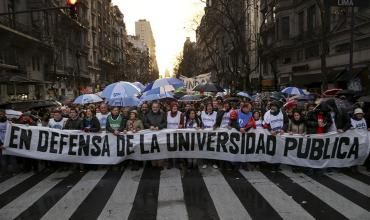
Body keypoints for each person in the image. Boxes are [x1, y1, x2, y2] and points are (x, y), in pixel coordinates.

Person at [144, 102, 167, 169]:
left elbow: (165, 123)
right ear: (151, 107)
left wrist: (159, 127)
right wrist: (149, 126)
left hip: (160, 135)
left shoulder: (163, 114)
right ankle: (153, 164)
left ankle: (160, 164)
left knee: (161, 148)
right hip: (151, 135)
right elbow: (145, 122)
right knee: (152, 149)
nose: (155, 108)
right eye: (154, 107)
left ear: (159, 107)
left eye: (156, 107)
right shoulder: (148, 114)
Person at [200, 102, 218, 169]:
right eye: (208, 106)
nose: (210, 107)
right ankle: (205, 162)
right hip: (205, 133)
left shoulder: (216, 113)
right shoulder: (202, 113)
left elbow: (218, 122)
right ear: (206, 107)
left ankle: (213, 162)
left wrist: (215, 126)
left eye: (211, 106)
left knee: (213, 148)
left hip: (213, 133)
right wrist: (201, 125)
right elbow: (200, 122)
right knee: (205, 148)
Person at [166, 102, 184, 169]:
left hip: (177, 134)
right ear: (171, 107)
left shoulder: (180, 114)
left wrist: (181, 125)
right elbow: (165, 122)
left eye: (176, 106)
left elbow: (182, 124)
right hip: (168, 134)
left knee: (177, 148)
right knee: (169, 148)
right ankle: (170, 162)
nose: (175, 107)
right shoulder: (167, 113)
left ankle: (177, 162)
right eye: (173, 106)